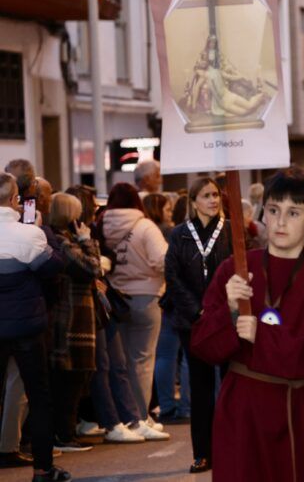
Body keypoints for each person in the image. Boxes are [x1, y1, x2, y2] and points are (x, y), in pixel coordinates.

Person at [191, 168, 304, 481]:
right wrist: (231, 312)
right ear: (263, 212)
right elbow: (202, 347)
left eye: (294, 212)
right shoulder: (235, 268)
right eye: (274, 210)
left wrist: (262, 336)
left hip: (299, 411)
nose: (280, 221)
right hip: (242, 409)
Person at [0, 172, 71, 482]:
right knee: (39, 396)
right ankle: (43, 469)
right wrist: (39, 231)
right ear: (16, 199)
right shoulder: (29, 234)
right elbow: (54, 266)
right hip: (27, 326)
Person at [164, 177, 232, 473]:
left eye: (216, 195)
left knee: (231, 387)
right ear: (194, 201)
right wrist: (197, 311)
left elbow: (241, 272)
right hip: (192, 322)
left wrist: (218, 311)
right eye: (206, 196)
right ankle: (202, 453)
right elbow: (173, 277)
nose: (213, 200)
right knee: (200, 388)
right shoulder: (179, 234)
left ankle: (233, 448)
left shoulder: (231, 230)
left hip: (226, 318)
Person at [96, 183, 169, 435]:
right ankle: (141, 416)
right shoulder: (145, 226)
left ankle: (128, 416)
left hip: (115, 300)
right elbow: (162, 260)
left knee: (122, 363)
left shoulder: (102, 225)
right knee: (143, 360)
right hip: (146, 297)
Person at [47, 193, 101, 453]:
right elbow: (93, 269)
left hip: (76, 316)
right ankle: (64, 434)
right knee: (69, 379)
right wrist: (87, 241)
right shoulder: (63, 243)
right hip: (71, 320)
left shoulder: (63, 240)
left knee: (75, 377)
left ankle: (66, 431)